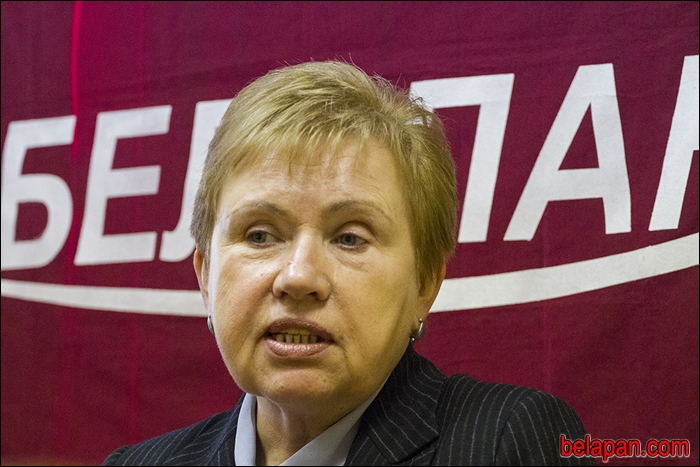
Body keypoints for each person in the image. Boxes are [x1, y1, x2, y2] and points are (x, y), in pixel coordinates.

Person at [103, 60, 595, 466]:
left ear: (425, 284)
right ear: (206, 276)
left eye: (350, 238)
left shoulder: (507, 442)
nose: (299, 277)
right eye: (259, 235)